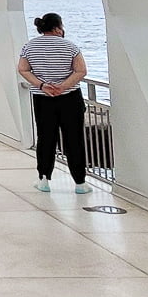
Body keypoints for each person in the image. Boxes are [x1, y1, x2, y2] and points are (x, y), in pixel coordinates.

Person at [18, 12, 90, 193]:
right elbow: (81, 71)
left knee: (45, 138)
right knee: (74, 139)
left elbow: (23, 69)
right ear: (58, 27)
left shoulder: (30, 46)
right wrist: (63, 86)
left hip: (43, 98)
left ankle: (43, 179)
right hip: (70, 97)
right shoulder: (70, 46)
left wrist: (42, 85)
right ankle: (80, 182)